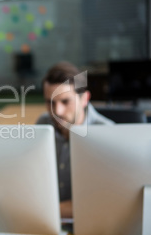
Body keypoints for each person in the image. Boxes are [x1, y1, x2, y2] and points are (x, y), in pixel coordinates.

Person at [36, 61, 114, 219]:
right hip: (46, 220)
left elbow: (106, 202)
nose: (57, 111)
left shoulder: (108, 134)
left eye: (65, 101)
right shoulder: (42, 125)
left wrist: (43, 210)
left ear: (84, 99)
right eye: (50, 102)